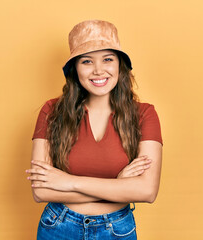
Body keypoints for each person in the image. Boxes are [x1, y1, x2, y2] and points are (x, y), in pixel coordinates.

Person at [26, 20, 163, 240]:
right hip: (58, 227)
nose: (98, 70)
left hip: (117, 230)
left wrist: (68, 181)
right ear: (75, 69)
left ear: (120, 65)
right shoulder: (51, 111)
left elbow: (147, 191)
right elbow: (41, 191)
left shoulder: (144, 114)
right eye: (87, 61)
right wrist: (119, 187)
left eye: (108, 59)